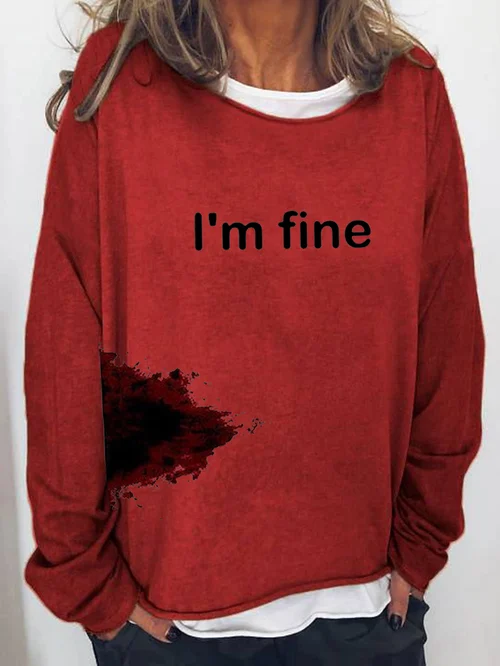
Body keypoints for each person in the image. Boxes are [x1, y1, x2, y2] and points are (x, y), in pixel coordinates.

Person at [23, 1, 485, 664]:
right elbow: (61, 352)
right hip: (171, 625)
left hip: (363, 610)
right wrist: (89, 584)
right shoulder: (123, 84)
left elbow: (449, 341)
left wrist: (420, 541)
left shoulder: (411, 95)